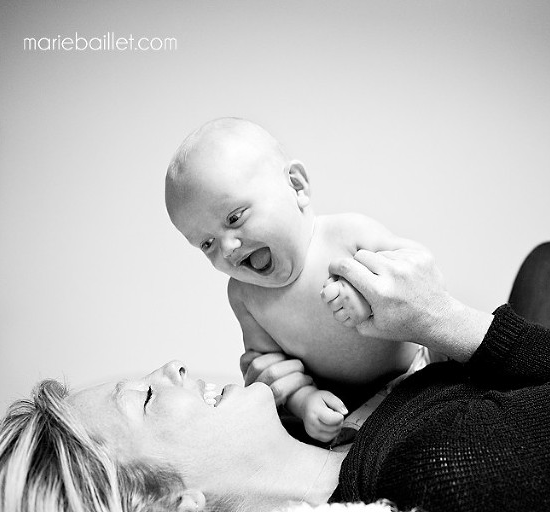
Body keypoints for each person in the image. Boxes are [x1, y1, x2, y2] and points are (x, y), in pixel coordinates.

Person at [0, 207, 550, 512]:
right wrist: (444, 318)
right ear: (171, 505)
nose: (168, 367)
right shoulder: (434, 471)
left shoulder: (327, 441)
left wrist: (308, 395)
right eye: (143, 399)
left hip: (534, 400)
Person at [164, 118, 426, 442]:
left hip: (417, 373)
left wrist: (372, 290)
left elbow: (421, 269)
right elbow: (271, 364)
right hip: (347, 405)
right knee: (311, 441)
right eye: (207, 244)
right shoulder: (245, 296)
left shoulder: (346, 235)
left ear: (297, 186)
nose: (228, 248)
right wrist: (305, 401)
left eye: (234, 218)